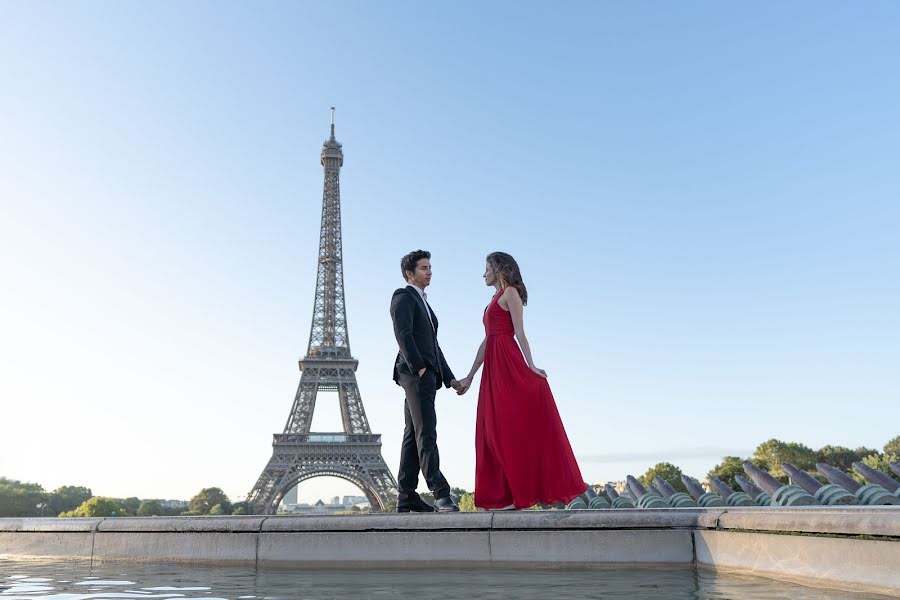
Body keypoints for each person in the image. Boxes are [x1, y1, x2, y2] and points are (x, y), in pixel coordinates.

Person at [457, 252, 585, 510]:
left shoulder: (510, 294)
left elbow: (519, 333)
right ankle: (502, 495)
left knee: (505, 428)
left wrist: (531, 366)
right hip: (492, 367)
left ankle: (516, 494)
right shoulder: (493, 299)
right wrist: (470, 376)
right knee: (490, 430)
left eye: (486, 268)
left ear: (498, 269)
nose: (483, 274)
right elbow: (486, 340)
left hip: (507, 363)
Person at [390, 249, 462, 512]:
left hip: (426, 376)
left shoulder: (424, 303)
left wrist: (450, 378)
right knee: (426, 431)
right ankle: (440, 492)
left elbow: (433, 345)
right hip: (415, 374)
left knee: (413, 434)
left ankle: (406, 495)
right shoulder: (403, 296)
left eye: (430, 267)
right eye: (423, 267)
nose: (429, 271)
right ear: (410, 273)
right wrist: (419, 368)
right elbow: (403, 334)